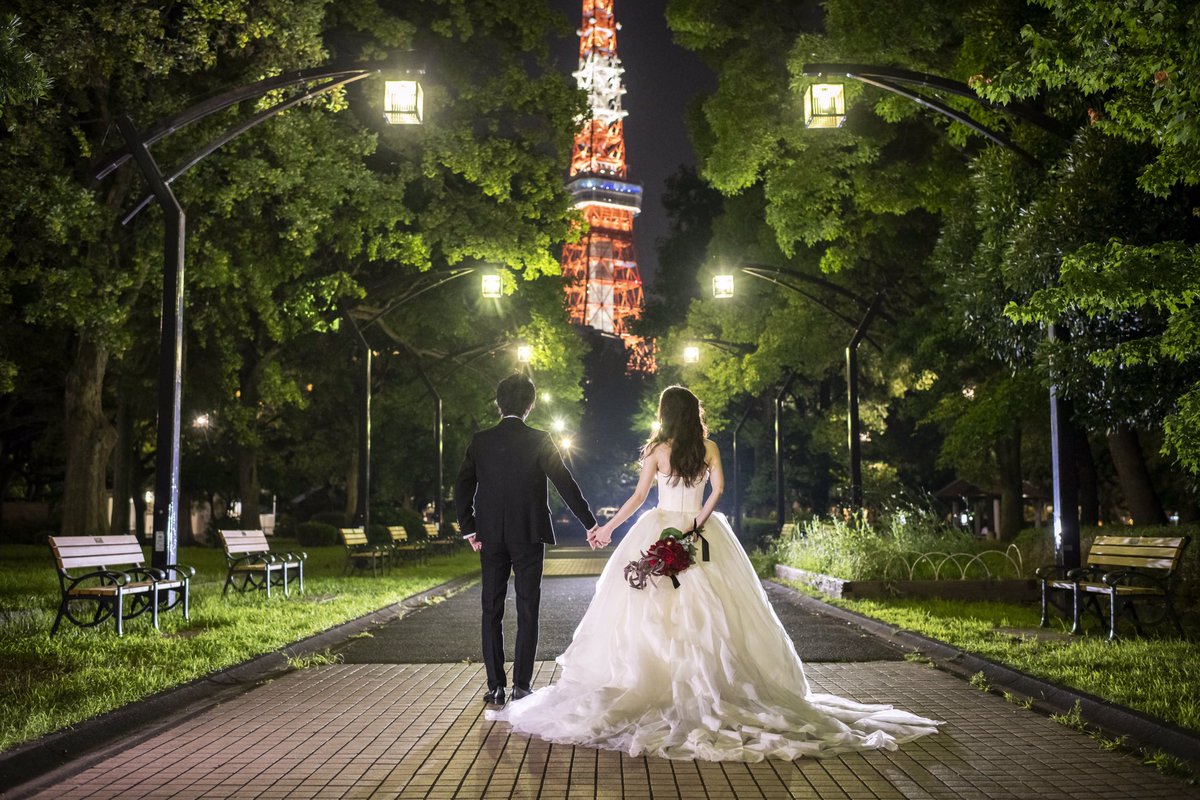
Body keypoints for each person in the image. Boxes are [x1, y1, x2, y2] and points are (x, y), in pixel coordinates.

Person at [486, 385, 940, 761]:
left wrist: (605, 529)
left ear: (665, 414)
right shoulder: (709, 448)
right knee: (717, 609)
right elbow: (718, 489)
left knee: (649, 611)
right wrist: (698, 524)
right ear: (694, 414)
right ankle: (714, 687)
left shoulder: (656, 450)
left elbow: (639, 498)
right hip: (702, 533)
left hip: (659, 526)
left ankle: (657, 683)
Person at [455, 373, 598, 707]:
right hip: (529, 533)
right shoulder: (540, 439)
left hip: (490, 534)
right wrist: (589, 523)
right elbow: (564, 482)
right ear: (530, 405)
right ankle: (521, 685)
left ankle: (495, 686)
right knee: (527, 607)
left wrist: (470, 528)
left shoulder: (481, 441)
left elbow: (462, 485)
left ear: (498, 403)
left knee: (491, 607)